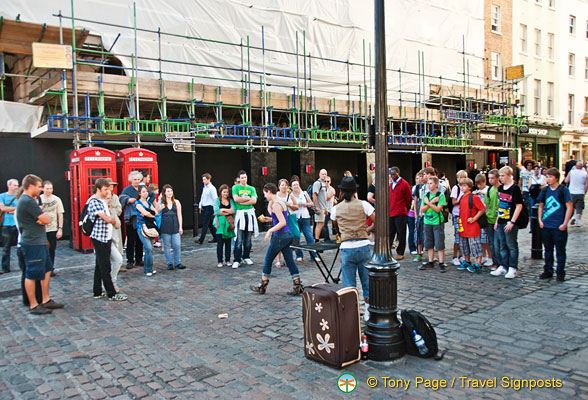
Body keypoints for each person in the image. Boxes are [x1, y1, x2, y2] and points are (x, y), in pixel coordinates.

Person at [17, 174, 65, 314]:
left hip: (39, 241)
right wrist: (42, 218)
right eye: (39, 187)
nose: (41, 190)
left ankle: (45, 299)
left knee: (46, 269)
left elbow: (44, 219)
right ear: (30, 186)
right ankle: (33, 304)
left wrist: (43, 219)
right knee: (32, 273)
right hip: (32, 243)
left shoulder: (30, 200)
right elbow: (46, 219)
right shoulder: (27, 201)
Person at [330, 176, 374, 320]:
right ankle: (368, 312)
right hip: (363, 245)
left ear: (341, 191)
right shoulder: (364, 205)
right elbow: (377, 220)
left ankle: (352, 314)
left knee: (349, 285)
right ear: (355, 190)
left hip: (347, 246)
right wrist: (368, 229)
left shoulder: (336, 209)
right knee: (367, 281)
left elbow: (336, 225)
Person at [250, 183, 303, 296]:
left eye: (265, 193)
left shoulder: (276, 205)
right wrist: (270, 219)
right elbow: (281, 219)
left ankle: (262, 285)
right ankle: (297, 284)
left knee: (268, 260)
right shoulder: (281, 202)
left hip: (280, 236)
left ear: (269, 191)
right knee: (289, 260)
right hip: (287, 235)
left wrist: (269, 231)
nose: (265, 196)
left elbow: (282, 222)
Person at [88, 178, 127, 301]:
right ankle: (111, 293)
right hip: (99, 238)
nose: (107, 192)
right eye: (105, 189)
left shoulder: (103, 202)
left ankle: (97, 291)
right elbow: (108, 219)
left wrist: (111, 217)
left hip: (106, 237)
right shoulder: (94, 202)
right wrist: (111, 218)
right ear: (98, 189)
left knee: (99, 265)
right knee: (105, 266)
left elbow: (114, 220)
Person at [538, 168, 573, 282]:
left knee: (560, 250)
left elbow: (569, 206)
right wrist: (540, 220)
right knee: (547, 249)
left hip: (558, 225)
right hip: (546, 225)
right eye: (547, 177)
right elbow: (541, 206)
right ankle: (548, 270)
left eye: (550, 177)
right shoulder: (544, 190)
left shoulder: (563, 190)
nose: (548, 179)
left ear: (556, 178)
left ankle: (560, 271)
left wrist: (565, 223)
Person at [491, 166, 524, 279]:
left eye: (503, 175)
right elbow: (500, 206)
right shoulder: (500, 189)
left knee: (511, 244)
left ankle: (513, 267)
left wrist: (512, 221)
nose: (501, 178)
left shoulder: (514, 189)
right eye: (500, 176)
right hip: (501, 219)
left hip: (510, 220)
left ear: (509, 176)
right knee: (502, 244)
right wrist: (497, 220)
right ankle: (503, 265)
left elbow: (519, 206)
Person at [456, 178, 486, 273]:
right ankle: (467, 260)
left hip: (472, 226)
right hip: (463, 225)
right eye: (461, 185)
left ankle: (478, 263)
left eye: (464, 185)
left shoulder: (473, 197)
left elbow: (482, 209)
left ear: (469, 187)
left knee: (475, 245)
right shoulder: (462, 197)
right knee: (464, 245)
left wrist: (474, 218)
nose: (462, 187)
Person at [419, 176, 447, 272]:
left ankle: (441, 262)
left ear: (436, 185)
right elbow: (422, 209)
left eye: (431, 183)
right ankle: (430, 261)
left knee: (439, 242)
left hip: (437, 222)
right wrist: (431, 202)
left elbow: (438, 209)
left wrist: (429, 203)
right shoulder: (425, 196)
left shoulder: (440, 195)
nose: (429, 185)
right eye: (428, 183)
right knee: (428, 242)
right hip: (427, 221)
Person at [232, 170, 258, 268]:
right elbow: (236, 199)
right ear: (239, 179)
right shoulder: (235, 187)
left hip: (249, 214)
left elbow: (254, 200)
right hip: (240, 215)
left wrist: (242, 202)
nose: (244, 179)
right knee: (238, 238)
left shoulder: (251, 188)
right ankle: (236, 259)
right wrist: (248, 199)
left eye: (245, 177)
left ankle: (246, 256)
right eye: (242, 178)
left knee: (248, 238)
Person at [119, 171, 144, 269]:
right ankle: (130, 260)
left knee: (140, 240)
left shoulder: (143, 188)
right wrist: (128, 200)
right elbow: (120, 198)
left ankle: (139, 259)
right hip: (131, 218)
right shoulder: (127, 190)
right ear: (131, 180)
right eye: (135, 180)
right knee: (130, 240)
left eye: (138, 179)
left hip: (141, 218)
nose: (137, 181)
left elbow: (151, 196)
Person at [135, 185, 162, 276]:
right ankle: (147, 269)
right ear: (139, 193)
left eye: (146, 191)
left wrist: (149, 213)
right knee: (148, 247)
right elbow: (149, 213)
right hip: (142, 228)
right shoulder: (138, 203)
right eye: (143, 192)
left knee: (150, 249)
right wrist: (150, 213)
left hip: (150, 227)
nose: (145, 193)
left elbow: (156, 212)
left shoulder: (149, 203)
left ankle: (148, 268)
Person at [40, 181, 64, 277]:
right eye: (47, 188)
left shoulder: (57, 199)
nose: (49, 190)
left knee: (51, 249)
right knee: (42, 249)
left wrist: (60, 228)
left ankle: (50, 268)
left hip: (52, 228)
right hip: (41, 229)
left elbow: (60, 214)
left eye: (51, 188)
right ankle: (43, 267)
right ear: (43, 189)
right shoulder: (39, 199)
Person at [290, 180, 318, 262]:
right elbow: (289, 206)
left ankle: (313, 255)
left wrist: (305, 204)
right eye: (294, 185)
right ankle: (299, 255)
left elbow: (311, 204)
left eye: (297, 184)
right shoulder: (290, 195)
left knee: (309, 236)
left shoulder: (304, 193)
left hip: (305, 216)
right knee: (297, 237)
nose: (296, 186)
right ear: (291, 187)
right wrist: (295, 205)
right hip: (295, 217)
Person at [388, 167, 412, 260]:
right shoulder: (391, 185)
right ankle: (388, 251)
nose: (392, 176)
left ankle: (400, 252)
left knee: (401, 233)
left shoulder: (404, 184)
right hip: (391, 212)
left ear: (398, 173)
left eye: (393, 174)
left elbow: (408, 198)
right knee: (390, 233)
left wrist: (404, 208)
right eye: (391, 174)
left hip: (400, 212)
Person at [160, 184, 185, 270]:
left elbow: (179, 215)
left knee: (177, 245)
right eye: (168, 191)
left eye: (171, 191)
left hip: (175, 225)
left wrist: (180, 227)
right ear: (164, 193)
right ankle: (169, 263)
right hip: (165, 225)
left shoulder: (176, 202)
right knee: (167, 246)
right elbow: (156, 212)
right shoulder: (161, 202)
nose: (170, 193)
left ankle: (178, 262)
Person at [213, 184, 236, 267]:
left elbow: (234, 210)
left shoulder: (231, 201)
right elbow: (216, 212)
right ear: (220, 192)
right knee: (220, 243)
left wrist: (223, 209)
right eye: (224, 192)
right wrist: (228, 211)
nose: (226, 194)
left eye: (227, 192)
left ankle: (228, 260)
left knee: (228, 243)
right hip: (219, 224)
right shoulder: (217, 201)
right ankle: (220, 261)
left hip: (229, 224)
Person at [105, 191, 123, 292]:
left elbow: (117, 224)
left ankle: (112, 282)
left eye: (110, 198)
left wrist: (111, 218)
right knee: (108, 264)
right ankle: (109, 285)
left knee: (117, 260)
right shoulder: (101, 209)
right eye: (107, 198)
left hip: (113, 239)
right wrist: (111, 219)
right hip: (103, 240)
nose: (110, 200)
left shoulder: (112, 209)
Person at [473, 174, 493, 267]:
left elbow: (489, 202)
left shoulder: (488, 190)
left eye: (480, 184)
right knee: (481, 239)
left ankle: (490, 257)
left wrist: (482, 194)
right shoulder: (477, 191)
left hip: (486, 216)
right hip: (479, 216)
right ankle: (484, 255)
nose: (479, 187)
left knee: (487, 239)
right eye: (477, 185)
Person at [0, 178, 19, 274]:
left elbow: (20, 208)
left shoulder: (18, 196)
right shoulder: (2, 196)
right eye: (14, 185)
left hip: (18, 224)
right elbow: (2, 208)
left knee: (20, 246)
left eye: (17, 185)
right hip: (6, 225)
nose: (16, 187)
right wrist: (14, 209)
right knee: (6, 248)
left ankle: (22, 265)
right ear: (9, 185)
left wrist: (10, 209)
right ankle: (4, 267)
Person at [485, 169, 501, 271]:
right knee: (491, 242)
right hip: (489, 218)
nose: (490, 180)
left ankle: (501, 262)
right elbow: (487, 205)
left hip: (498, 219)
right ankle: (495, 262)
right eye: (489, 178)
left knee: (498, 243)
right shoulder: (489, 190)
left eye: (492, 178)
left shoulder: (501, 189)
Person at [450, 170, 468, 266]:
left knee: (464, 236)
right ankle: (454, 256)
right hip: (457, 214)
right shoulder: (456, 188)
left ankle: (461, 255)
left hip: (465, 215)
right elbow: (453, 202)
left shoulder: (467, 188)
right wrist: (462, 198)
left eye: (461, 177)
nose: (459, 179)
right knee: (457, 237)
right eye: (458, 177)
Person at [564, 161, 588, 227]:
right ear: (582, 167)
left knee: (571, 206)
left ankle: (572, 217)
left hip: (571, 192)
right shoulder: (585, 173)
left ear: (575, 166)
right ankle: (577, 221)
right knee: (579, 207)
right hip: (580, 192)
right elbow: (586, 184)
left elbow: (566, 180)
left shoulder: (571, 172)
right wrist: (584, 191)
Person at [198, 173, 218, 244]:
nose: (203, 181)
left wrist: (215, 209)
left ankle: (201, 239)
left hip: (210, 207)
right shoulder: (205, 187)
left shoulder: (212, 188)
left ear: (209, 179)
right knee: (210, 224)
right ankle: (216, 237)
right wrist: (200, 206)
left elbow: (215, 199)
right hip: (205, 207)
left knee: (205, 223)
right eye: (203, 179)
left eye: (204, 179)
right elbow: (202, 197)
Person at [312, 169, 328, 241]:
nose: (324, 175)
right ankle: (316, 240)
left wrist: (326, 208)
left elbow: (324, 197)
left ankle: (317, 239)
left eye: (325, 174)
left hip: (323, 207)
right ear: (319, 174)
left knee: (321, 224)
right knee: (320, 224)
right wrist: (317, 207)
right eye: (322, 174)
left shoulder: (324, 183)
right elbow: (314, 195)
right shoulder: (317, 183)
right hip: (320, 207)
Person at [321, 176, 337, 241]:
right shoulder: (322, 189)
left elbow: (327, 198)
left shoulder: (332, 189)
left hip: (330, 209)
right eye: (325, 181)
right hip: (325, 209)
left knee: (335, 223)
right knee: (324, 224)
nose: (326, 183)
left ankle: (337, 235)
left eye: (328, 181)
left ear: (330, 182)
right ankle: (326, 238)